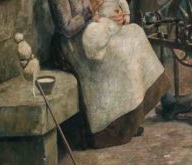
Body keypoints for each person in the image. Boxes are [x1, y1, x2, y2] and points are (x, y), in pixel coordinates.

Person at [49, 0, 170, 148]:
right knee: (124, 55)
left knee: (136, 33)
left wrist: (115, 14)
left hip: (98, 30)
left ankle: (167, 100)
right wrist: (89, 12)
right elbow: (66, 28)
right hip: (76, 44)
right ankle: (119, 127)